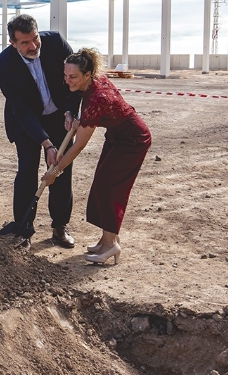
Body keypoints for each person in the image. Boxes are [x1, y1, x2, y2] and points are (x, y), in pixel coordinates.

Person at [42, 48, 151, 265]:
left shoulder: (97, 99)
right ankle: (106, 240)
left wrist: (54, 171)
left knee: (109, 187)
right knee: (101, 184)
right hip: (116, 137)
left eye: (72, 77)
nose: (67, 81)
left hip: (133, 140)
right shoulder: (90, 84)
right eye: (65, 75)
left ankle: (111, 245)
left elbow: (79, 146)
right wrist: (72, 115)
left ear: (88, 74)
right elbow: (79, 104)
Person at [0, 14, 80, 249]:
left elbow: (76, 79)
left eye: (35, 39)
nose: (33, 46)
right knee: (27, 172)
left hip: (60, 117)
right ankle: (24, 230)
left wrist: (71, 111)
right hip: (27, 122)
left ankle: (59, 227)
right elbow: (20, 109)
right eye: (25, 43)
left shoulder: (56, 43)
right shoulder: (4, 66)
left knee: (61, 171)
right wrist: (46, 143)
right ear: (12, 42)